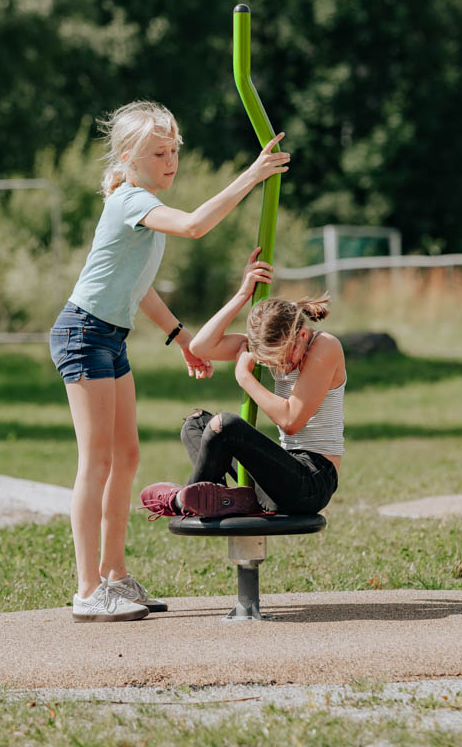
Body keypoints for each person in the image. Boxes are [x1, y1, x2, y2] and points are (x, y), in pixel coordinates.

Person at [50, 101, 290, 623]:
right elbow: (196, 226)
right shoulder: (130, 201)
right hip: (83, 334)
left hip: (108, 338)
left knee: (127, 457)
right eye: (158, 152)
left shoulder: (142, 207)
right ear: (128, 158)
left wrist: (181, 336)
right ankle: (88, 589)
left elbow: (138, 288)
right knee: (96, 462)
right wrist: (250, 175)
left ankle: (115, 576)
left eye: (174, 150)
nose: (170, 160)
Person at [139, 246, 345, 521]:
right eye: (270, 362)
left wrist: (245, 377)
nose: (280, 366)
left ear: (303, 335)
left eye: (285, 358)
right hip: (276, 481)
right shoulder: (273, 347)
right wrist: (242, 293)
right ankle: (220, 498)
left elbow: (291, 419)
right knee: (197, 423)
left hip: (310, 482)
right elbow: (200, 347)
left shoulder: (324, 346)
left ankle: (183, 500)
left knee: (226, 426)